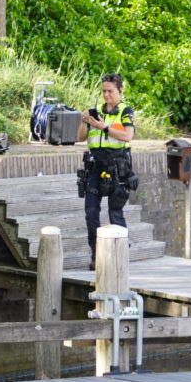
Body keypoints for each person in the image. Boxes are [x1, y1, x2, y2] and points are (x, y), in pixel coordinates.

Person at [75, 72, 137, 267]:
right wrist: (85, 122)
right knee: (91, 212)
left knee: (115, 213)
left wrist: (104, 127)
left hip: (118, 169)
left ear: (120, 90)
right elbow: (81, 138)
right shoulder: (97, 110)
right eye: (104, 91)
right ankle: (96, 256)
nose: (107, 95)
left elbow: (127, 136)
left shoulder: (125, 111)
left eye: (110, 91)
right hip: (95, 168)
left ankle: (119, 256)